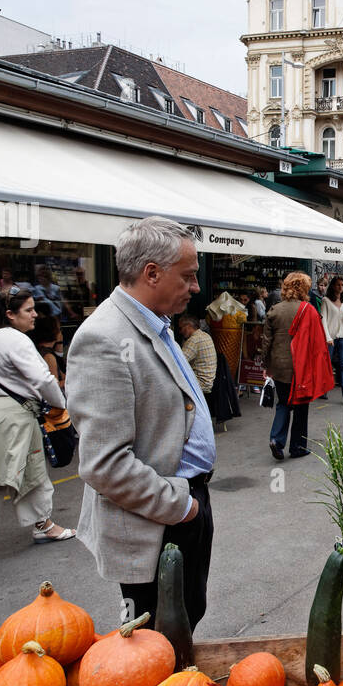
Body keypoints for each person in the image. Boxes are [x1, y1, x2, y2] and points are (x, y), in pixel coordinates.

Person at [66, 216, 216, 631]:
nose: (196, 286)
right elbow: (105, 464)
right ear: (152, 273)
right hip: (159, 520)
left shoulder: (154, 320)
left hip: (184, 503)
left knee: (186, 618)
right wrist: (182, 507)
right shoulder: (103, 338)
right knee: (155, 640)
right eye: (187, 276)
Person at [0, 286, 75, 543]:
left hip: (6, 413)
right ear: (10, 314)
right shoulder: (14, 339)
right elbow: (43, 380)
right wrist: (60, 403)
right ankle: (43, 524)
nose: (34, 315)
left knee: (20, 474)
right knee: (19, 474)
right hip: (15, 416)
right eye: (28, 310)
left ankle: (44, 523)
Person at [260, 271, 333, 461]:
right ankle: (297, 447)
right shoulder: (308, 310)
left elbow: (266, 342)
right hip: (302, 368)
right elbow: (317, 344)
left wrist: (266, 366)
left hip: (279, 367)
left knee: (283, 403)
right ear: (304, 289)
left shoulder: (274, 310)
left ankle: (276, 439)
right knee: (301, 407)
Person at [321, 276, 343, 405]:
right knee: (327, 365)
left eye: (342, 285)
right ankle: (322, 390)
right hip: (330, 337)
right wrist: (327, 337)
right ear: (333, 286)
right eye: (338, 284)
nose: (340, 287)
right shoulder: (325, 300)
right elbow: (323, 319)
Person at [178, 314, 217, 407]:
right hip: (209, 381)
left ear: (188, 326)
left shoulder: (194, 340)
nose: (180, 332)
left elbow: (179, 362)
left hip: (200, 383)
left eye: (181, 328)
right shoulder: (205, 335)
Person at [33, 313, 66, 384]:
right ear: (54, 332)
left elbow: (63, 376)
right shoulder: (49, 357)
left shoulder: (39, 350)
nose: (61, 332)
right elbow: (55, 386)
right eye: (59, 329)